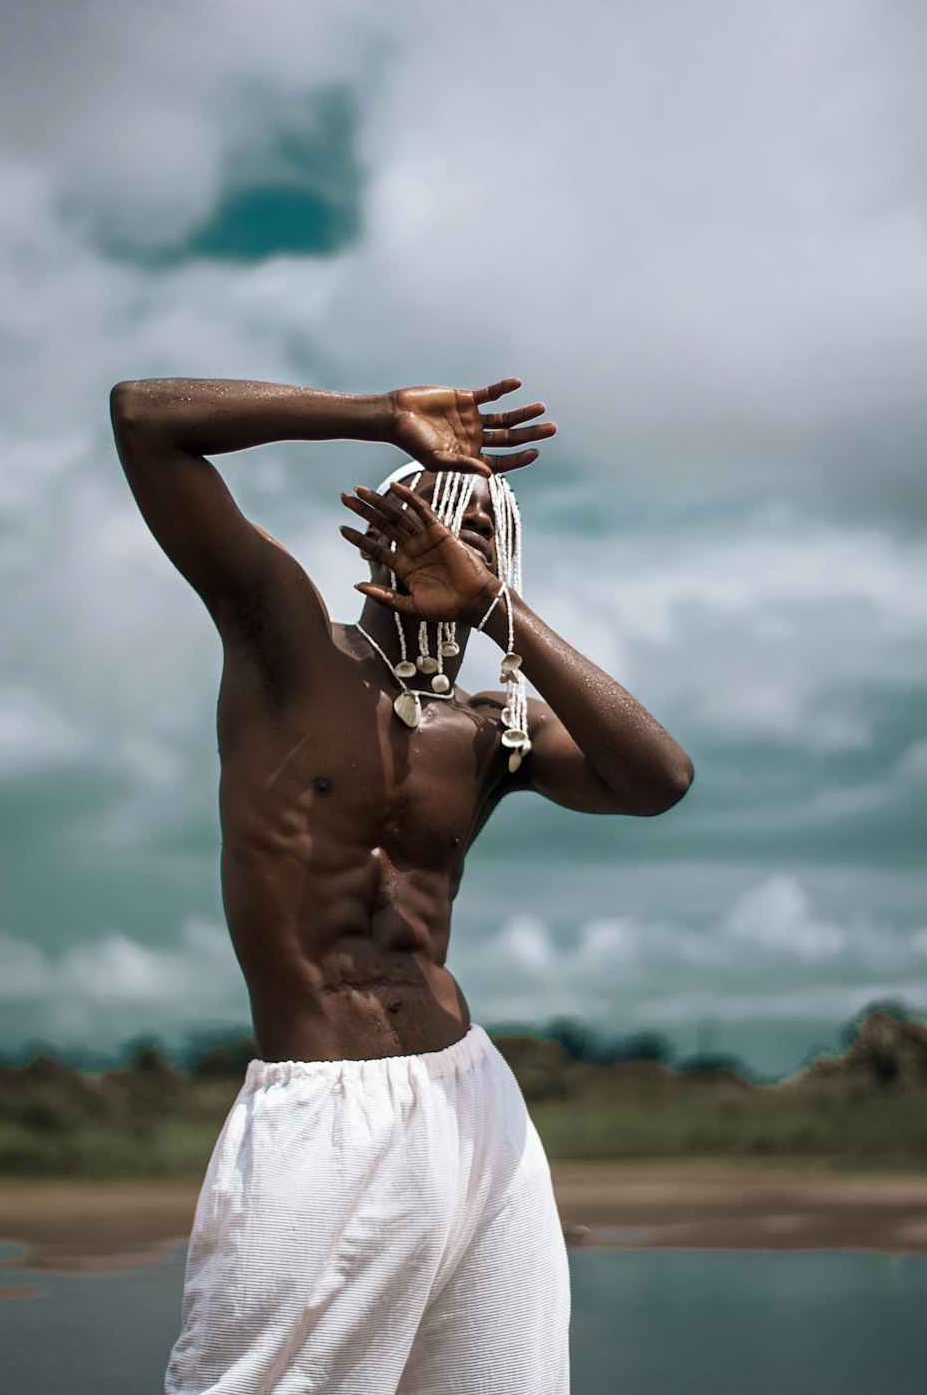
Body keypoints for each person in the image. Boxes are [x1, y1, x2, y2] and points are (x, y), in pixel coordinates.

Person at [109, 375, 693, 1395]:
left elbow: (658, 779)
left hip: (471, 1106)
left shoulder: (488, 733)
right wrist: (380, 414)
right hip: (320, 1115)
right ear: (378, 538)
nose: (451, 547)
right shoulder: (285, 647)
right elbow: (144, 421)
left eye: (480, 541)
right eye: (431, 520)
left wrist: (498, 614)